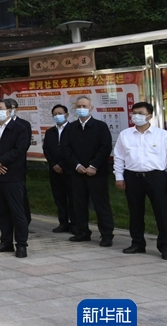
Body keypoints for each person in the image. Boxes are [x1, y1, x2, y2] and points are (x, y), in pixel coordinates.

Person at [113, 102, 167, 259]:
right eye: (134, 113)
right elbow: (119, 157)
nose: (136, 116)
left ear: (149, 116)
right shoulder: (125, 135)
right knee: (135, 212)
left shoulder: (162, 135)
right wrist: (119, 177)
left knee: (162, 212)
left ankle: (164, 246)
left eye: (140, 113)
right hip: (133, 177)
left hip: (156, 177)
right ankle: (137, 243)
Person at [61, 95, 114, 246]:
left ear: (91, 108)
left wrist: (94, 166)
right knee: (79, 203)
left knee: (101, 204)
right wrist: (77, 165)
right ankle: (82, 232)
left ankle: (106, 234)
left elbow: (105, 148)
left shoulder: (100, 126)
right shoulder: (70, 128)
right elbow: (66, 148)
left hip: (97, 173)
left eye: (84, 106)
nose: (81, 109)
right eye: (78, 106)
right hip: (77, 172)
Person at [0, 99, 31, 258]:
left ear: (9, 111)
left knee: (17, 212)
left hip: (12, 176)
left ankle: (21, 244)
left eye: (1, 108)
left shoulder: (19, 129)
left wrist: (1, 162)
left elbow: (19, 150)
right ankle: (6, 241)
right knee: (2, 212)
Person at [42, 104, 74, 234]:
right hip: (54, 170)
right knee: (59, 198)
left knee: (72, 198)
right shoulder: (50, 132)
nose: (57, 116)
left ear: (66, 115)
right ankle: (63, 223)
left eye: (60, 113)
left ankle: (75, 224)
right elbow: (46, 149)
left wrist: (62, 165)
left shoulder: (73, 130)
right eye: (55, 114)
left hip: (70, 169)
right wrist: (54, 164)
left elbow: (73, 150)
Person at [5, 98, 33, 224]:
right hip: (1, 164)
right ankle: (6, 219)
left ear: (16, 109)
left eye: (12, 107)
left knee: (20, 193)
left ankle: (24, 219)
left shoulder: (23, 125)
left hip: (17, 164)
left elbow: (23, 146)